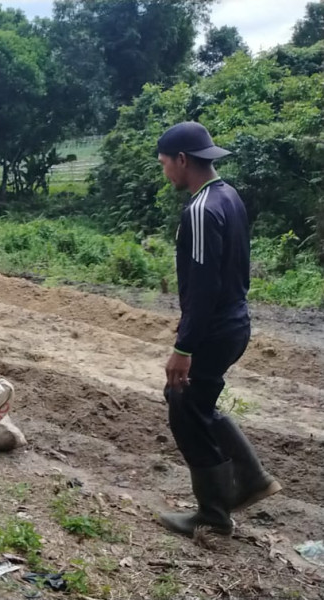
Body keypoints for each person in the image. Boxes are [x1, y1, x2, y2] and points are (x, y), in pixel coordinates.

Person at [155, 122, 281, 537]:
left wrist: (184, 347)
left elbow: (205, 285)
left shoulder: (200, 210)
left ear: (182, 160)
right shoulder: (229, 197)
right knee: (196, 404)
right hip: (232, 323)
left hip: (212, 329)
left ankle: (214, 510)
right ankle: (252, 479)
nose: (164, 173)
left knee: (183, 403)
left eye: (164, 164)